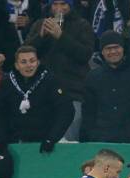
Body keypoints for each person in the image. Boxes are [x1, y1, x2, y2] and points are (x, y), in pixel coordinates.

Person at [0, 46, 73, 178]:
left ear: (38, 62)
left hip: (48, 144)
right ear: (17, 65)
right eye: (23, 62)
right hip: (18, 144)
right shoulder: (7, 82)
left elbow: (66, 110)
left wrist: (51, 138)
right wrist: (1, 144)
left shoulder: (50, 80)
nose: (28, 65)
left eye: (32, 61)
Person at [25, 0, 94, 142]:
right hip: (43, 95)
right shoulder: (40, 24)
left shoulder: (82, 25)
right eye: (55, 4)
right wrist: (40, 37)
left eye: (64, 4)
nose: (59, 8)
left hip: (72, 94)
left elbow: (85, 54)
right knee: (41, 142)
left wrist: (61, 37)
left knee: (67, 144)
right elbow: (25, 54)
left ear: (71, 5)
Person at [80, 30, 130, 142]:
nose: (113, 51)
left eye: (116, 47)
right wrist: (89, 137)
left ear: (123, 48)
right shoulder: (92, 77)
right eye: (108, 48)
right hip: (102, 137)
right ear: (102, 52)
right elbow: (88, 112)